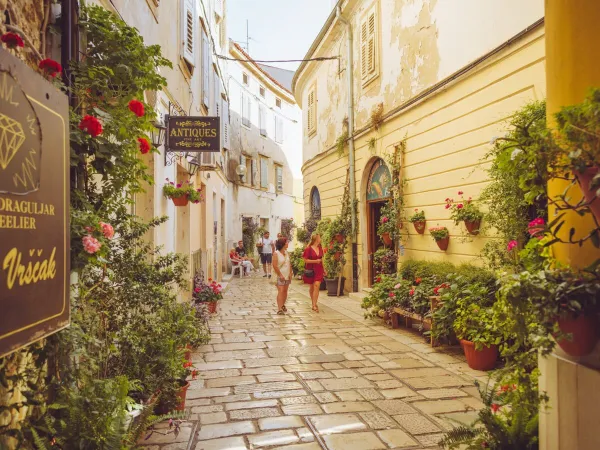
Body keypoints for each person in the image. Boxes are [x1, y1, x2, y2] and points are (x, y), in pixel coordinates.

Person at [302, 233, 325, 313]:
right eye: (319, 237)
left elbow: (322, 260)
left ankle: (314, 305)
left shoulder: (320, 248)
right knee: (312, 287)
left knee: (317, 285)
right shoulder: (308, 249)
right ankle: (313, 303)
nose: (320, 239)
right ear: (316, 239)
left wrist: (324, 269)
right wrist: (315, 261)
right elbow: (305, 260)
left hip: (319, 269)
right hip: (311, 269)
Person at [272, 237, 292, 315]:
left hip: (287, 275)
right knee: (281, 290)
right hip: (279, 275)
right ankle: (279, 308)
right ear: (283, 244)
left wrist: (290, 273)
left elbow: (289, 264)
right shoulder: (276, 253)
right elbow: (275, 266)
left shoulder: (287, 253)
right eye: (286, 242)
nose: (287, 244)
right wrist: (280, 275)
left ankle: (283, 304)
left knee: (285, 291)